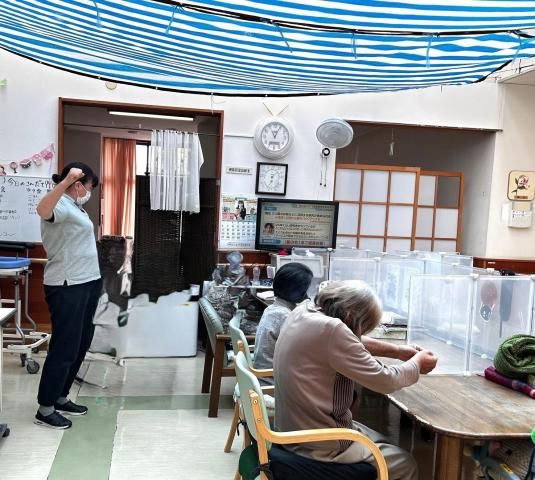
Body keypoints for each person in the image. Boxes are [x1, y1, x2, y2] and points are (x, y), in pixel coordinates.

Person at [273, 280, 437, 480]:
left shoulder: (304, 311)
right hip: (318, 443)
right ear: (351, 316)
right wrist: (418, 364)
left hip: (290, 430)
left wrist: (397, 351)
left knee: (386, 441)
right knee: (405, 463)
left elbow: (348, 340)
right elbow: (386, 380)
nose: (361, 333)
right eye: (364, 327)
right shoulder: (333, 329)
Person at [34, 162, 102, 429]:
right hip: (67, 284)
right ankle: (45, 408)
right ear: (78, 184)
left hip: (86, 283)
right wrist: (65, 182)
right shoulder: (60, 202)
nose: (90, 192)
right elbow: (42, 210)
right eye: (89, 187)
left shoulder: (75, 207)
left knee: (81, 343)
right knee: (64, 347)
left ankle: (61, 397)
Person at [253, 263, 313, 386]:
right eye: (305, 289)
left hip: (264, 375)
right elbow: (302, 352)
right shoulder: (285, 316)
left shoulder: (273, 309)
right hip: (274, 381)